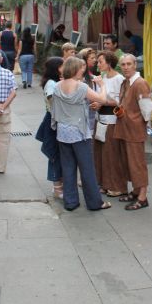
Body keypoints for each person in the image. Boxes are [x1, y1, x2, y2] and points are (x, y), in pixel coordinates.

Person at [50, 57, 112, 211]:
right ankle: (95, 203)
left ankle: (70, 202)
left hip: (63, 132)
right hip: (79, 131)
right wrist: (102, 85)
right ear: (75, 69)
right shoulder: (81, 87)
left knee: (68, 167)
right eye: (81, 68)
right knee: (87, 168)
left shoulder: (57, 86)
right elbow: (102, 99)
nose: (83, 71)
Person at [113, 54, 152, 210]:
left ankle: (143, 197)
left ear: (135, 65)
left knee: (137, 164)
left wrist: (144, 126)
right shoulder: (126, 82)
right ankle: (136, 191)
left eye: (129, 64)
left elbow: (148, 110)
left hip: (135, 130)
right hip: (125, 127)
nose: (126, 67)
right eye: (123, 64)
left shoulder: (140, 83)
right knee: (129, 162)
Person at [91, 51, 126, 197]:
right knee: (100, 153)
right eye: (97, 62)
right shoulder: (103, 77)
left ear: (109, 62)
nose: (98, 64)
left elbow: (120, 101)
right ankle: (104, 183)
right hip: (100, 118)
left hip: (112, 119)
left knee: (112, 154)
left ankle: (117, 185)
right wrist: (97, 103)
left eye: (100, 61)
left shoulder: (119, 79)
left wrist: (102, 102)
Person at [41, 57, 64, 198]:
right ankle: (57, 188)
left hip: (56, 121)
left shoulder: (55, 82)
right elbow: (53, 101)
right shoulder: (51, 84)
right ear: (56, 68)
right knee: (54, 155)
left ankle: (59, 185)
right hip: (53, 122)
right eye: (62, 66)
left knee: (59, 155)